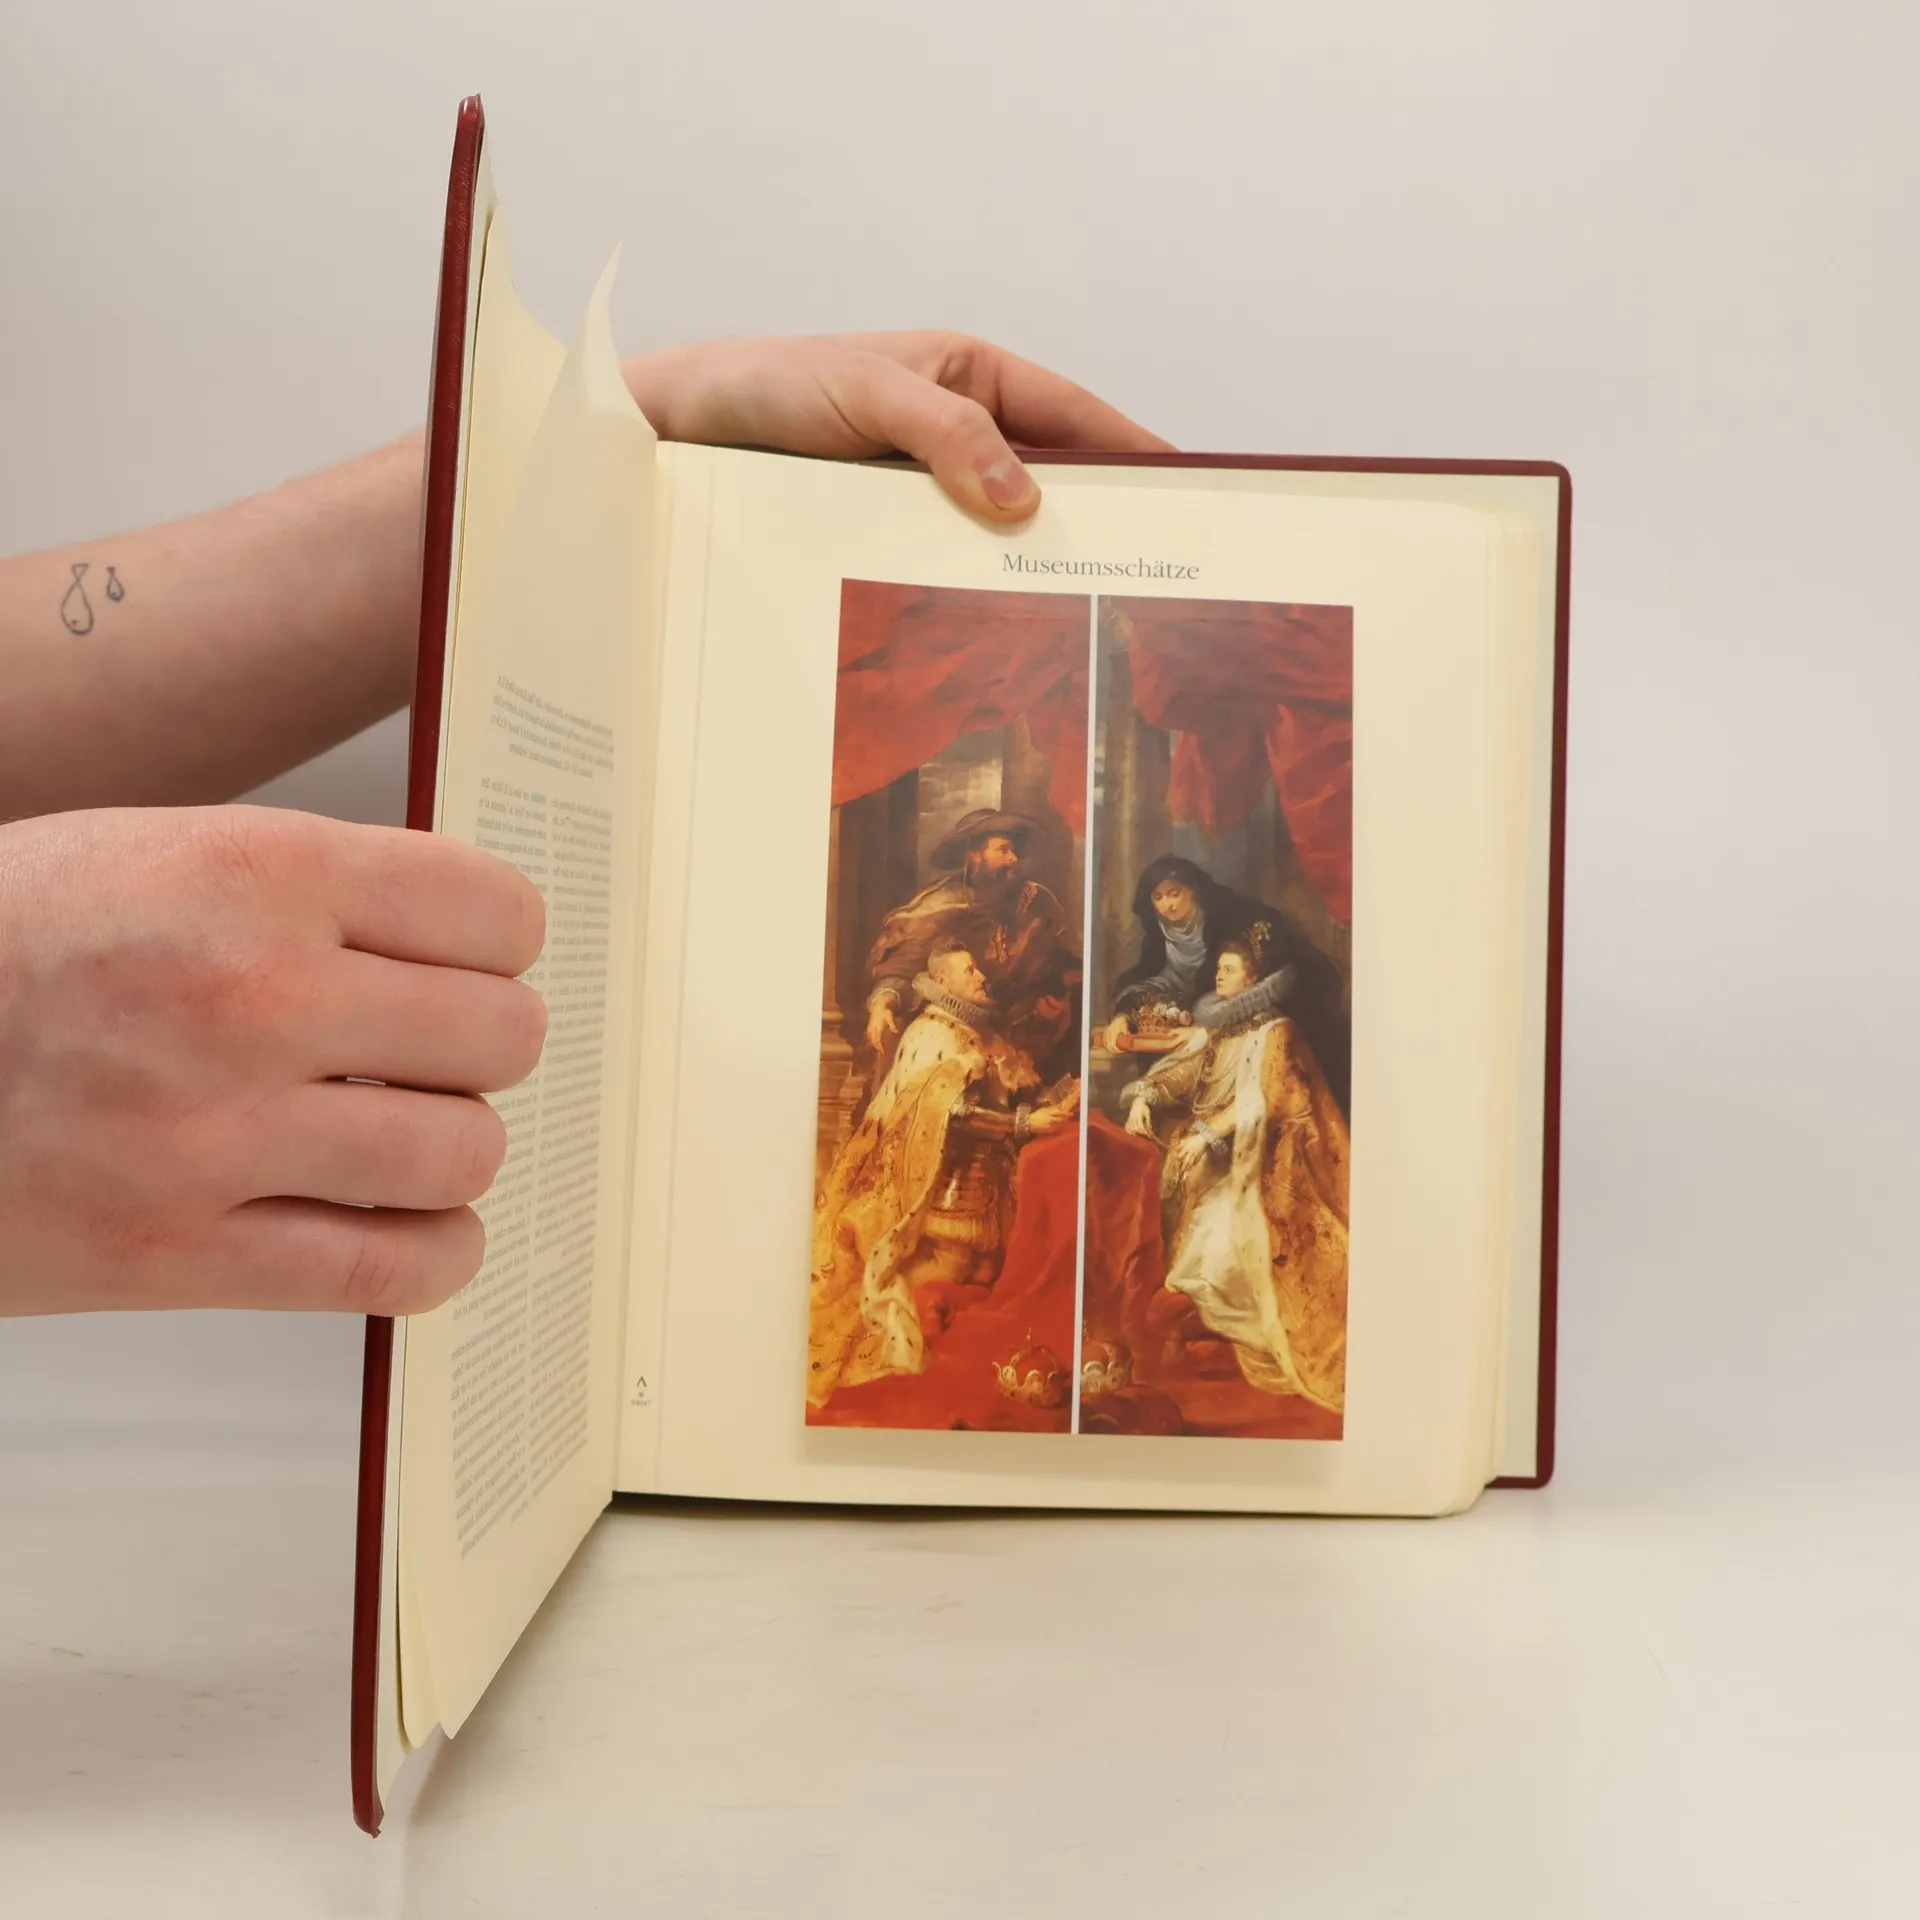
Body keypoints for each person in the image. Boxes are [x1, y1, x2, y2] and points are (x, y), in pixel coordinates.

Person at [0, 331, 1165, 1318]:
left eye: (1012, 848)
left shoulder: (1033, 911)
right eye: (991, 845)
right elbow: (901, 957)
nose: (1000, 859)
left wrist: (605, 457)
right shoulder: (939, 906)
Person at [808, 937, 1078, 1407]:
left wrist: (1052, 1101)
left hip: (985, 1173)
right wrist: (1023, 1123)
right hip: (937, 1179)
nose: (981, 977)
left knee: (990, 1269)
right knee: (949, 1269)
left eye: (978, 969)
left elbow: (1007, 1089)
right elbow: (949, 1114)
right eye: (969, 970)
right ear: (940, 980)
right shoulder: (931, 1035)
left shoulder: (975, 1030)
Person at [1120, 933, 1348, 1411]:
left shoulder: (1277, 1032)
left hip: (1260, 1166)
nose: (1218, 976)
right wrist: (1144, 1097)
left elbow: (1267, 1101)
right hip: (1206, 1157)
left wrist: (1206, 1134)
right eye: (1218, 968)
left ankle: (1232, 1334)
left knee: (1215, 1247)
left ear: (1253, 979)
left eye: (1229, 970)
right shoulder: (1218, 1027)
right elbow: (1180, 1072)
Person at [1102, 853, 1350, 1115]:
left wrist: (1206, 1029)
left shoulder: (1232, 919)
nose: (1167, 905)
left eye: (1174, 893)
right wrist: (1123, 1015)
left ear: (1193, 890)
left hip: (1266, 1016)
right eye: (1158, 897)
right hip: (1207, 1024)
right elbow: (1149, 979)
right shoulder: (1157, 938)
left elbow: (1273, 980)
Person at [863, 808, 1082, 1084]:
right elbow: (901, 966)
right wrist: (883, 1003)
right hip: (956, 1035)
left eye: (1014, 851)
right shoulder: (940, 905)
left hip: (1026, 1034)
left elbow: (1063, 965)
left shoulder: (1037, 901)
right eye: (1002, 851)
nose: (1013, 860)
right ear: (974, 856)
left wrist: (1054, 1000)